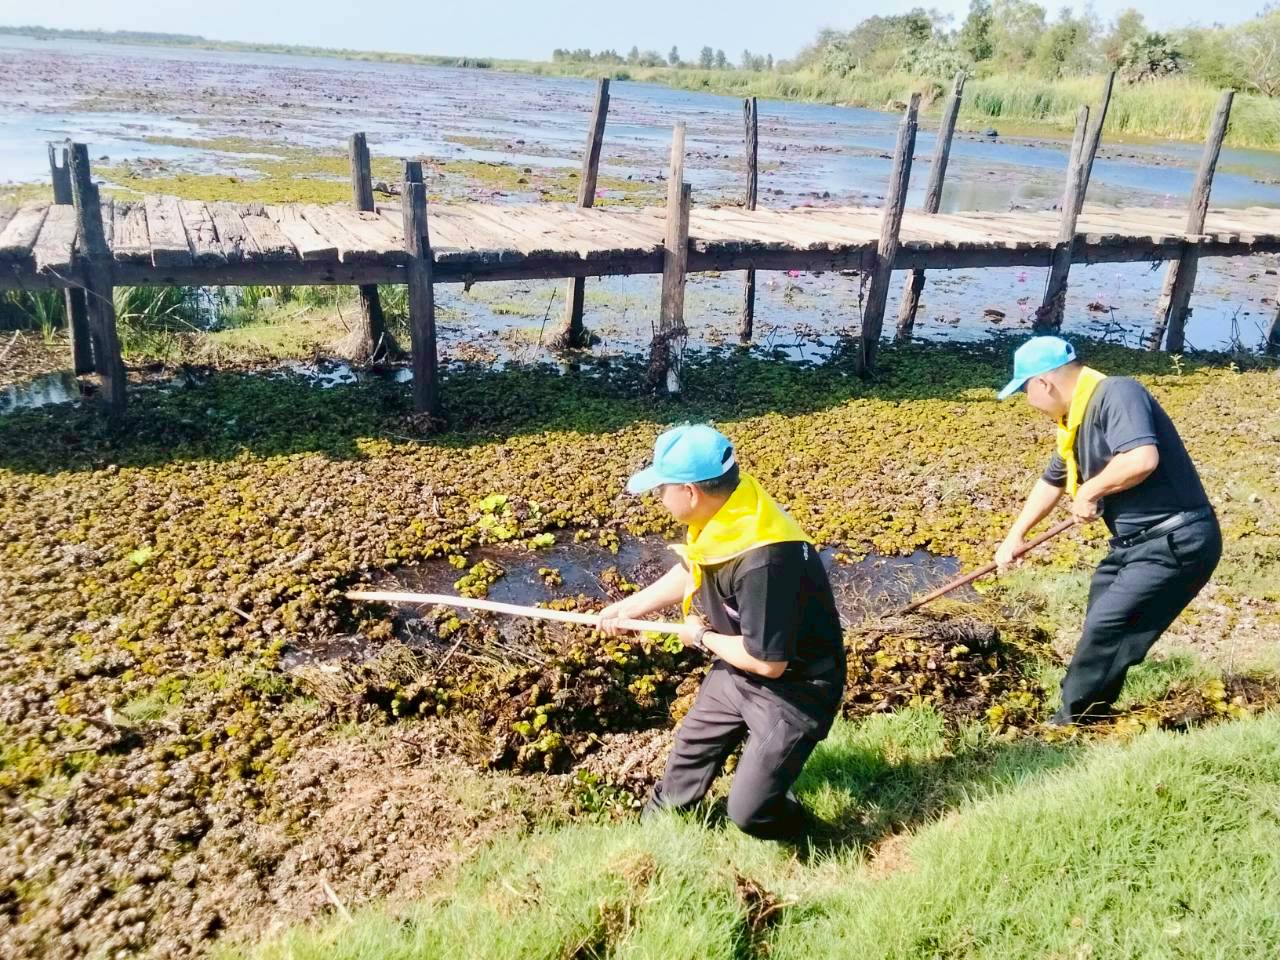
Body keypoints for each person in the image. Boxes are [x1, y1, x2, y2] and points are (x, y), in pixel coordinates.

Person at [598, 424, 845, 839]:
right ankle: (653, 836)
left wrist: (700, 637)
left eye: (662, 488)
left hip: (794, 689)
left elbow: (768, 664)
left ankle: (818, 837)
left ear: (690, 492)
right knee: (689, 754)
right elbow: (694, 565)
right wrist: (629, 607)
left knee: (750, 813)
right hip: (738, 667)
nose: (659, 497)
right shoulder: (732, 509)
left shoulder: (765, 560)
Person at [994, 337, 1221, 724]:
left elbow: (1142, 458)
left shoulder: (1117, 393)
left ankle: (1074, 720)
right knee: (1102, 613)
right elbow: (1051, 481)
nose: (1029, 403)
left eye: (1025, 391)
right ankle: (1088, 703)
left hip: (1176, 540)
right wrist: (1015, 536)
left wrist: (1091, 490)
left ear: (1043, 383)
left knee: (1109, 625)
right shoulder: (1077, 420)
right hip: (1134, 545)